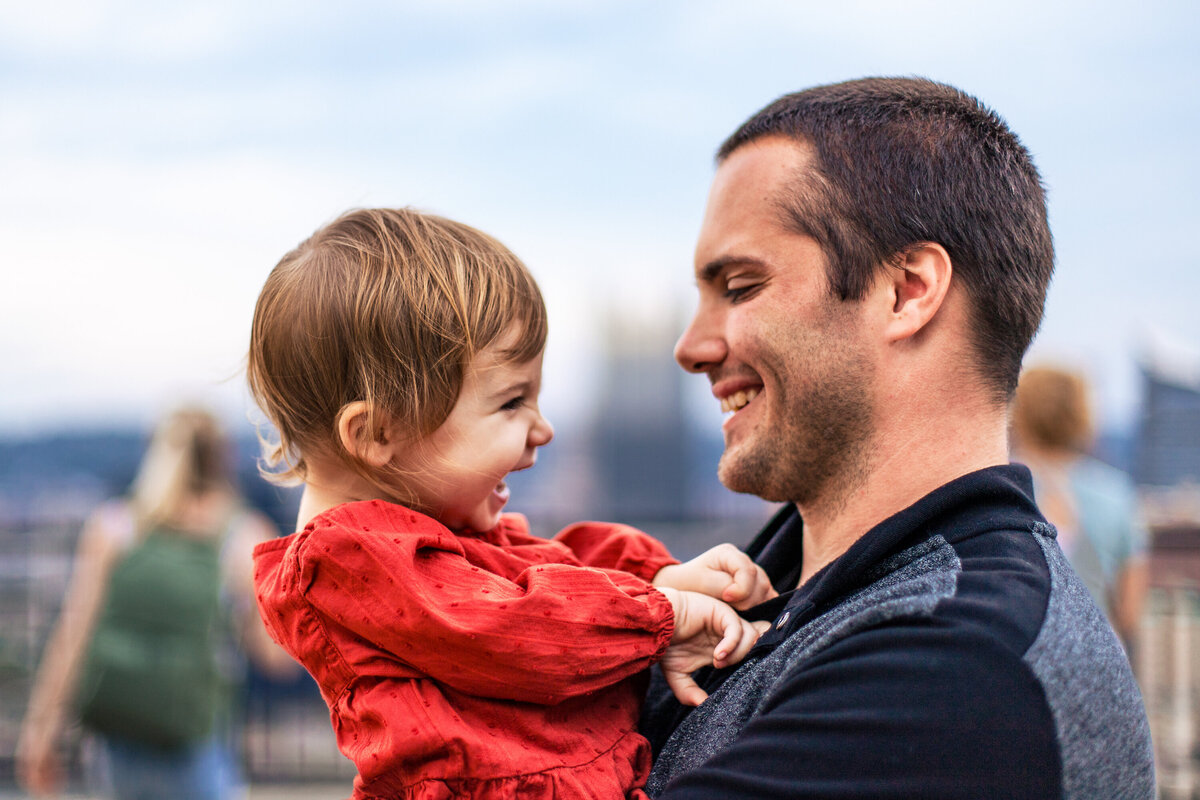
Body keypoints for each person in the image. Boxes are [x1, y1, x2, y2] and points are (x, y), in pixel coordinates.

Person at [639, 77, 1155, 798]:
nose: (691, 347)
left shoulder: (958, 663)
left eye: (741, 287)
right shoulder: (783, 589)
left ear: (907, 291)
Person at [246, 207, 774, 800]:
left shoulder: (437, 534)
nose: (542, 428)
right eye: (511, 403)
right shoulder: (345, 559)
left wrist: (658, 575)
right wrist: (662, 612)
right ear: (377, 434)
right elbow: (515, 626)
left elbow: (542, 564)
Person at [17, 407, 296, 800]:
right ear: (222, 459)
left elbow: (72, 637)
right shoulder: (241, 537)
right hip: (194, 745)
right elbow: (275, 659)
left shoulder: (115, 526)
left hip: (116, 736)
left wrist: (41, 730)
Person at [1012, 364, 1150, 653]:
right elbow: (1128, 613)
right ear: (1083, 416)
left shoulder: (999, 486)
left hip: (1019, 657)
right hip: (1098, 661)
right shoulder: (1116, 494)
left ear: (1019, 413)